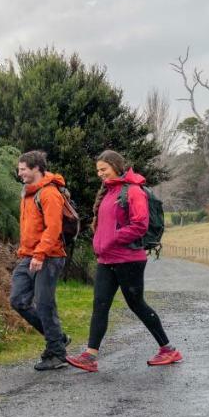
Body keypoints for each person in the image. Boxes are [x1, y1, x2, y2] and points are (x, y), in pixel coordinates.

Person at [67, 150, 181, 372]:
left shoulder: (134, 191)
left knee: (137, 304)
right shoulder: (108, 192)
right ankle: (90, 356)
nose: (100, 174)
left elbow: (140, 225)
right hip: (107, 259)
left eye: (104, 169)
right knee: (100, 305)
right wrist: (102, 243)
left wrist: (113, 238)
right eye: (98, 170)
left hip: (129, 259)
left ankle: (168, 349)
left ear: (116, 167)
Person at [11, 150, 70, 370]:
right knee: (18, 300)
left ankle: (56, 352)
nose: (20, 174)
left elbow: (53, 228)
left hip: (49, 256)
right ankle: (58, 338)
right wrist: (28, 253)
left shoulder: (49, 193)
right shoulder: (27, 192)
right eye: (19, 169)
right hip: (28, 255)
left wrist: (39, 254)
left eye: (23, 169)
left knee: (45, 303)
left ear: (36, 168)